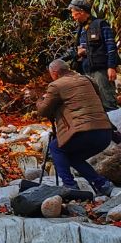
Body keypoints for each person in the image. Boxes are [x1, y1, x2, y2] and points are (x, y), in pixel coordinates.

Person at [33, 58, 114, 197]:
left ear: (54, 73)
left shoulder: (56, 85)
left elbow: (43, 111)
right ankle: (102, 184)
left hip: (83, 133)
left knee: (55, 148)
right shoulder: (87, 80)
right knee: (73, 157)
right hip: (105, 133)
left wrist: (40, 99)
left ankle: (70, 185)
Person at [68, 0, 119, 112]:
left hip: (101, 72)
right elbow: (77, 51)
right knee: (91, 105)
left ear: (81, 11)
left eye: (72, 11)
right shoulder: (79, 30)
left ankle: (117, 129)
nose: (72, 15)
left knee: (108, 102)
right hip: (85, 73)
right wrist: (78, 53)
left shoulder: (101, 24)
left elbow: (111, 47)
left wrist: (111, 67)